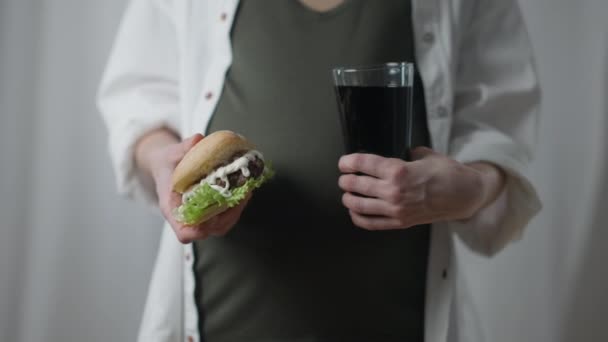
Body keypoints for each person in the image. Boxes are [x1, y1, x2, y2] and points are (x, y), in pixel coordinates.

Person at [98, 0, 542, 341]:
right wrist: (162, 162)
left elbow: (502, 124)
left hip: (396, 318)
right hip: (225, 313)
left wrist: (472, 188)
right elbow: (140, 99)